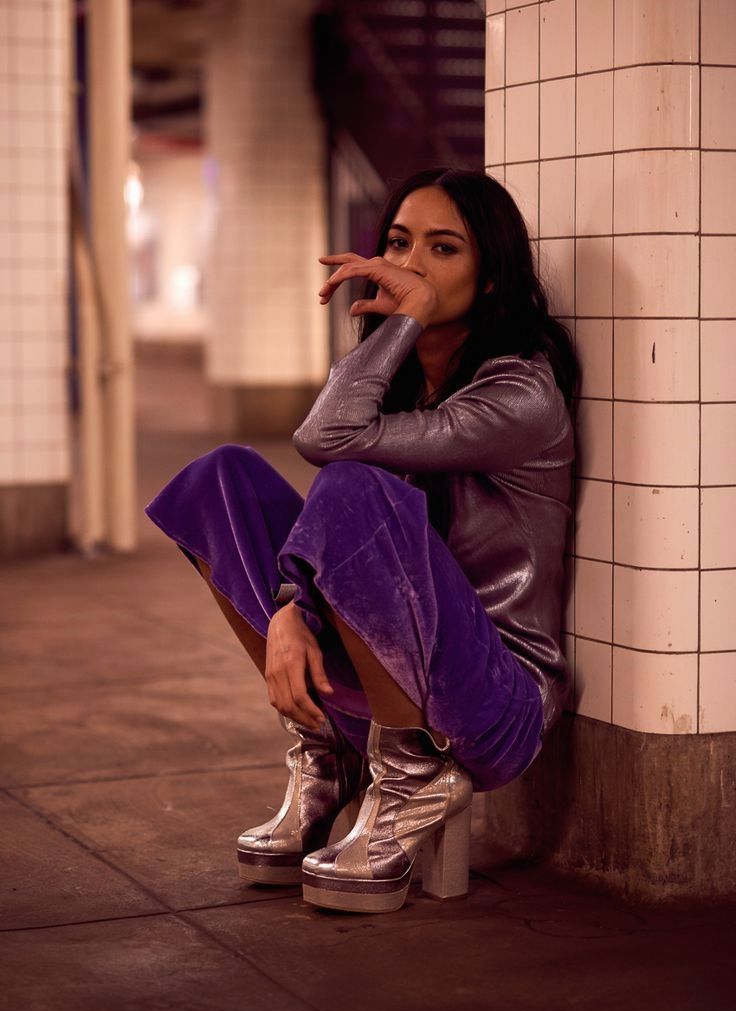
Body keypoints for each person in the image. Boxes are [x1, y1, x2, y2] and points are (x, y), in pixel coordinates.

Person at [144, 166, 578, 915]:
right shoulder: (400, 379)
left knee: (351, 481)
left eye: (443, 250)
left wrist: (401, 319)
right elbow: (339, 471)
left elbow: (329, 442)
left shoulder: (519, 392)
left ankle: (411, 779)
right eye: (399, 243)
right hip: (388, 674)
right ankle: (328, 750)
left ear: (493, 279)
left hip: (490, 705)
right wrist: (292, 611)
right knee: (223, 477)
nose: (408, 265)